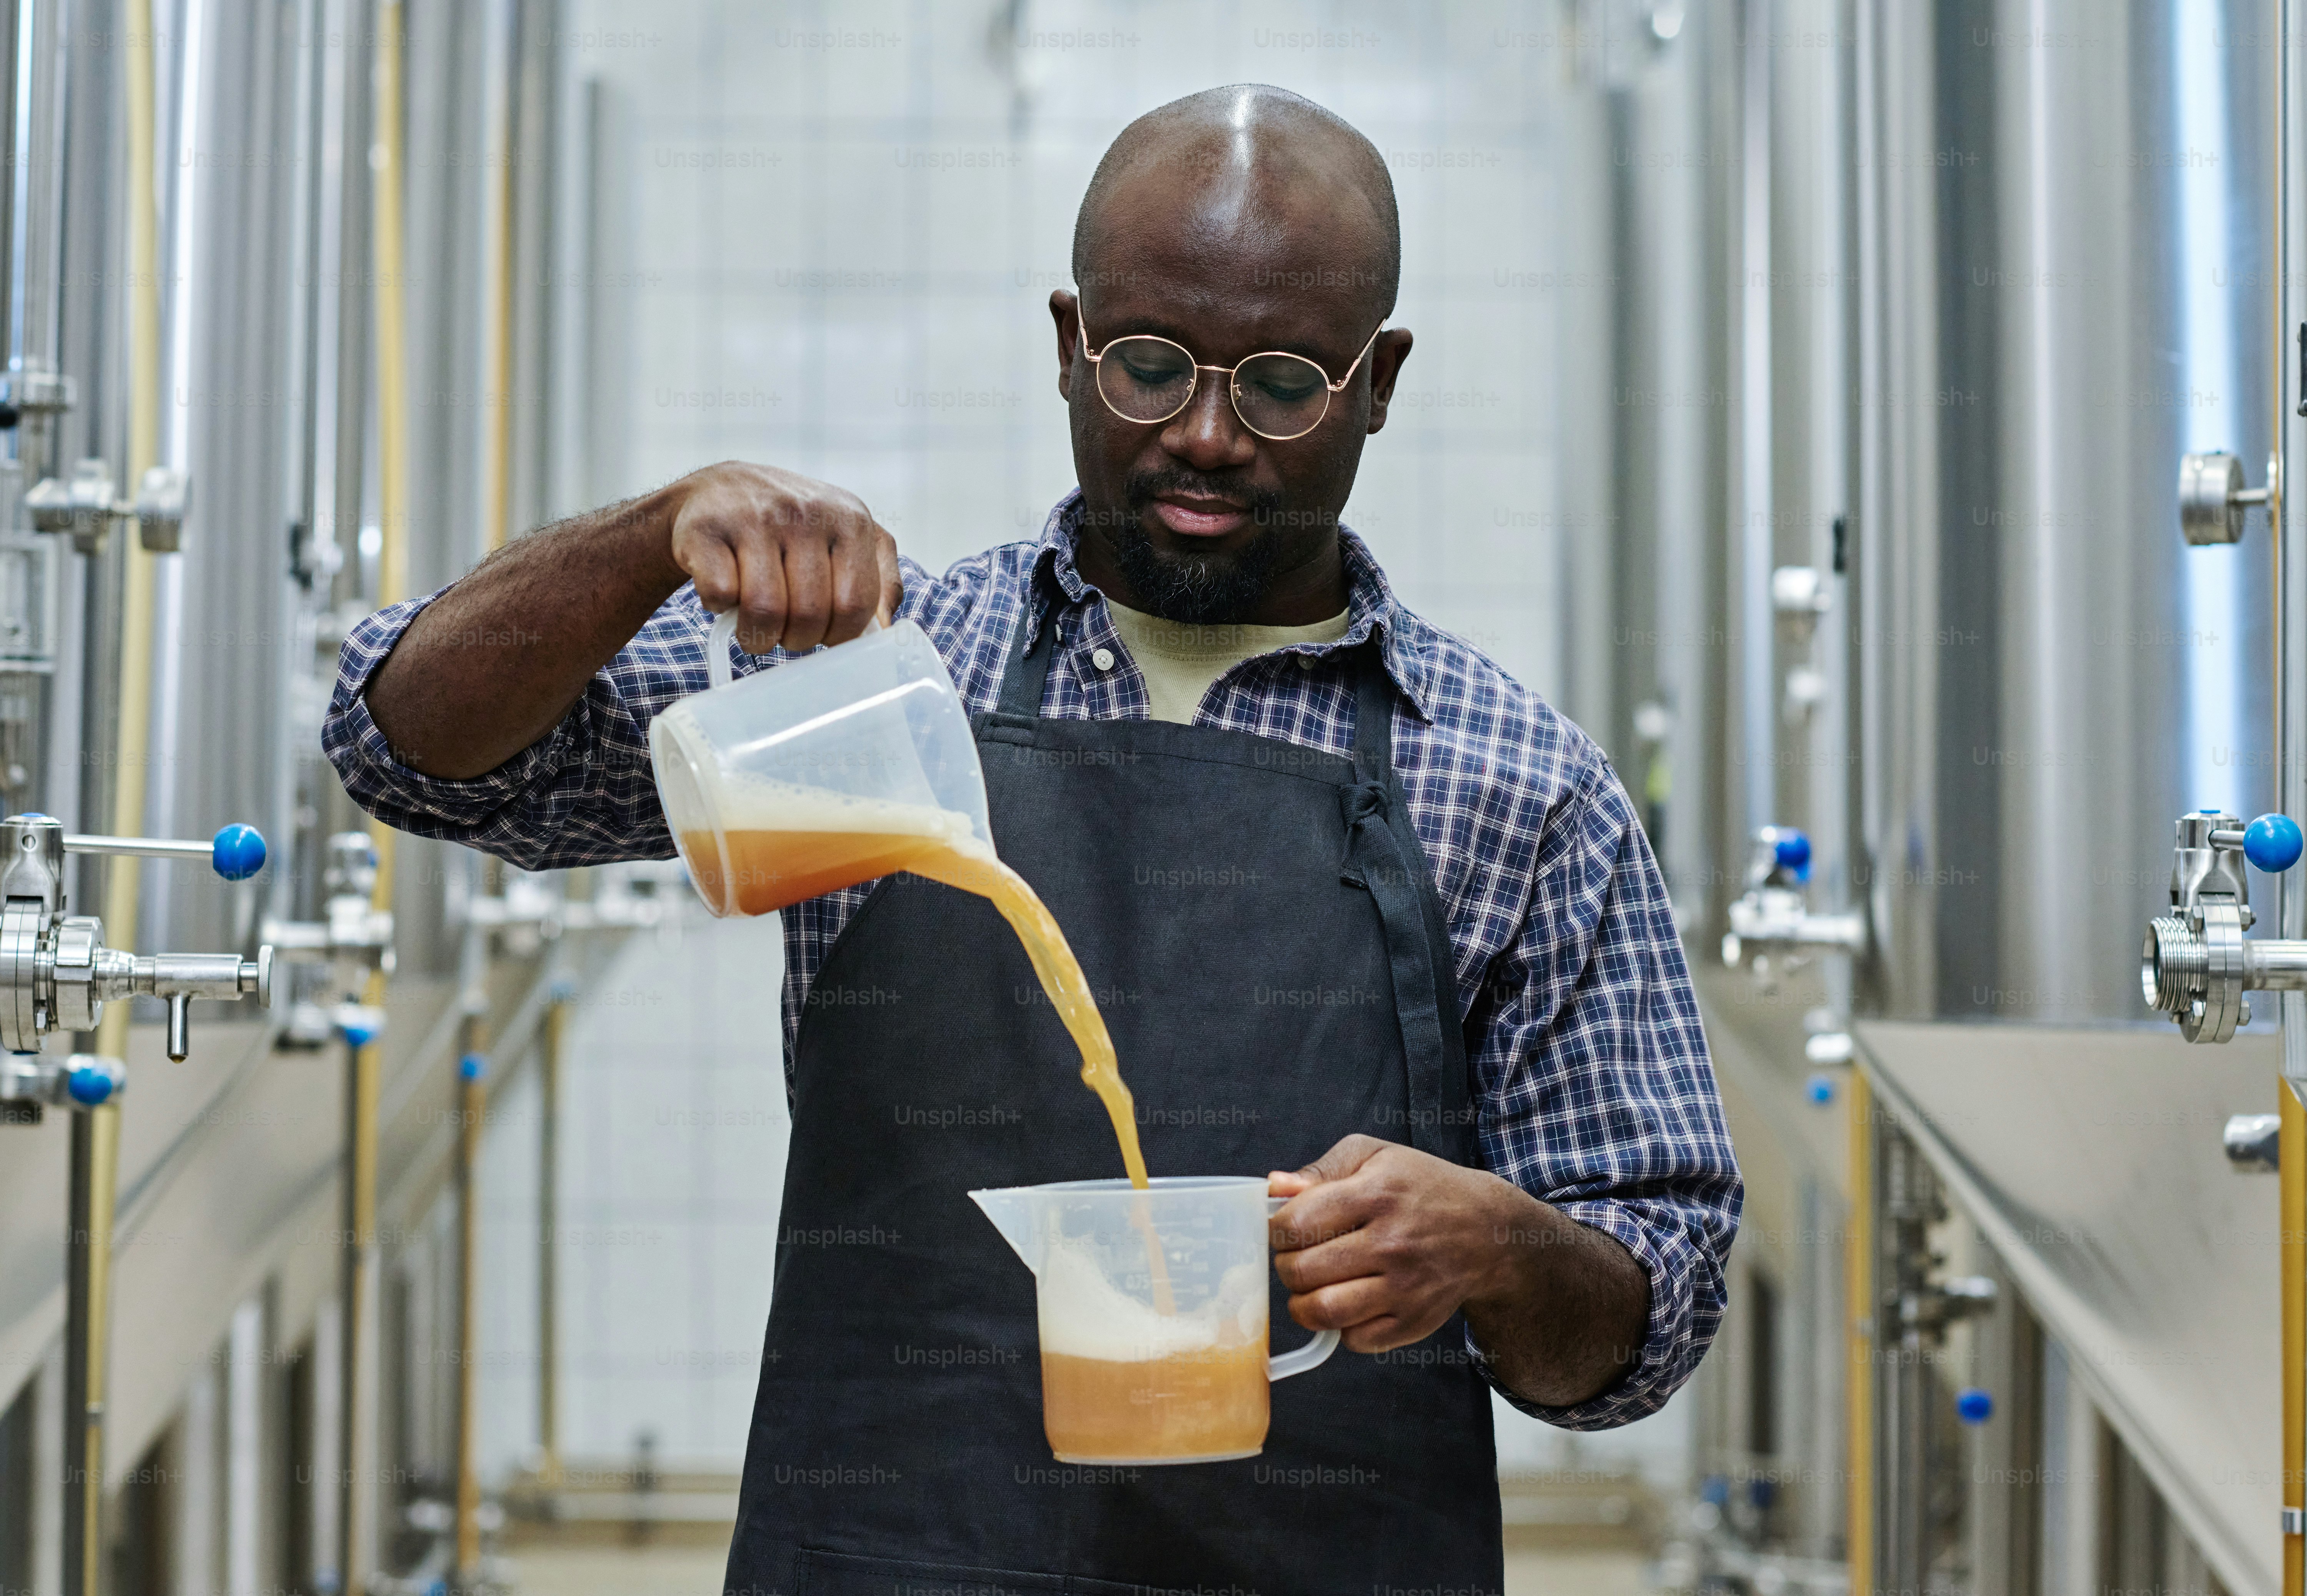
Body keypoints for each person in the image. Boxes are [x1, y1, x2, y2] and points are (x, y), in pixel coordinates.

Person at [327, 83, 1739, 1594]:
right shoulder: (874, 678)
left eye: (1278, 384)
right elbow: (408, 751)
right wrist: (647, 534)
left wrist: (1509, 1248)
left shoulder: (1517, 783)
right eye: (1146, 366)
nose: (1204, 436)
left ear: (1377, 380)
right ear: (1068, 344)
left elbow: (1646, 1320)